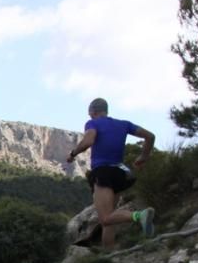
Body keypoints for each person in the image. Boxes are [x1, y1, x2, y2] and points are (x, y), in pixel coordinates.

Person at [67, 97, 156, 249]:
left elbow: (88, 141)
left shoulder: (92, 123)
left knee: (106, 218)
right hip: (120, 174)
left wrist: (73, 153)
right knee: (110, 218)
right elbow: (150, 136)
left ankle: (139, 216)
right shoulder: (123, 124)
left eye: (90, 114)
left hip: (103, 172)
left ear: (92, 112)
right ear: (106, 111)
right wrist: (143, 156)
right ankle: (109, 251)